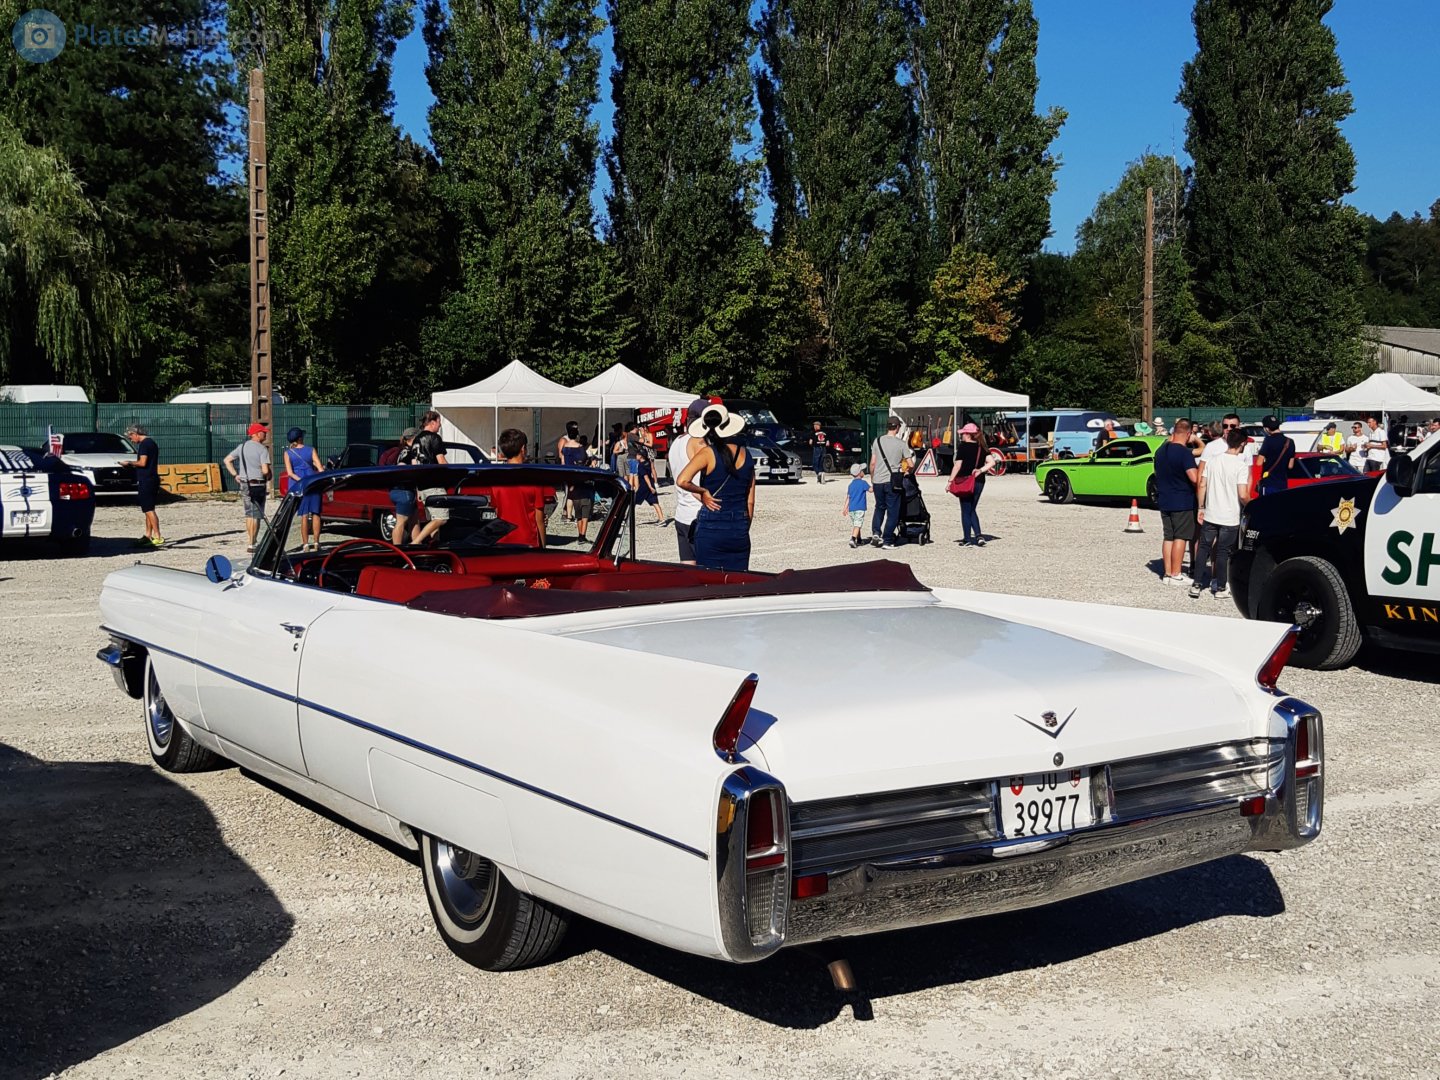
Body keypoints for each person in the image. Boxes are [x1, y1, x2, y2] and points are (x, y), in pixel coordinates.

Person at [676, 402, 755, 571]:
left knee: (709, 584)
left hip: (711, 527)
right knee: (739, 583)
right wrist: (743, 525)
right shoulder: (746, 454)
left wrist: (703, 491)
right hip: (738, 527)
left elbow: (682, 480)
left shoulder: (707, 453)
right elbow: (750, 499)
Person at [1191, 427, 1252, 600]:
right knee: (1223, 552)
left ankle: (1196, 584)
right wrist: (1251, 506)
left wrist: (1201, 507)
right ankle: (1220, 586)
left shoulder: (1213, 461)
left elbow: (1202, 484)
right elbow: (1242, 494)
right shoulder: (1240, 466)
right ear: (1241, 444)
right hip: (1230, 515)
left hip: (1211, 512)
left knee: (1203, 547)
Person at [1154, 419, 1199, 585]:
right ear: (1188, 434)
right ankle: (1176, 573)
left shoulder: (1160, 451)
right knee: (1181, 537)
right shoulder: (1184, 453)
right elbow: (1194, 478)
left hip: (1164, 498)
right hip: (1182, 499)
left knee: (1168, 537)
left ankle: (1167, 573)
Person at [668, 397, 710, 564]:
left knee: (689, 572)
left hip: (682, 513)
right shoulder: (698, 442)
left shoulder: (677, 442)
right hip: (698, 512)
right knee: (708, 573)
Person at [490, 428, 546, 548]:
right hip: (527, 541)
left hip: (502, 540)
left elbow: (497, 511)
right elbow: (539, 519)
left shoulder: (496, 478)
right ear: (523, 449)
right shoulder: (534, 478)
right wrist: (543, 548)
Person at [224, 422, 272, 553]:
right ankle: (253, 542)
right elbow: (265, 470)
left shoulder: (242, 446)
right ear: (257, 434)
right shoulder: (262, 449)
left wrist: (235, 475)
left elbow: (227, 460)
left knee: (248, 513)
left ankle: (250, 541)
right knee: (256, 514)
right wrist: (267, 473)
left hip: (245, 483)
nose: (265, 433)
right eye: (263, 432)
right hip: (258, 484)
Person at [948, 422, 996, 547]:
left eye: (963, 433)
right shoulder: (982, 447)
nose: (962, 436)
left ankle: (967, 539)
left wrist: (950, 481)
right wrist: (980, 470)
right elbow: (992, 462)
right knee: (972, 508)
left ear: (968, 435)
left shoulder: (963, 447)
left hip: (965, 480)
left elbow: (957, 465)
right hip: (979, 480)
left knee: (965, 510)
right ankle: (979, 536)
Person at [868, 417, 910, 549]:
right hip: (893, 481)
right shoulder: (901, 444)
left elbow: (873, 463)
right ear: (897, 428)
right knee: (893, 511)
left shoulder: (877, 441)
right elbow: (910, 464)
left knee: (879, 507)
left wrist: (873, 478)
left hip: (878, 480)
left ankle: (876, 532)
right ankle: (887, 540)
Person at [409, 411, 449, 546]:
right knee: (441, 518)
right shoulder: (434, 438)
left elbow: (414, 464)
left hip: (421, 484)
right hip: (434, 482)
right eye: (439, 422)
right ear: (432, 422)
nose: (440, 425)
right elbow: (441, 461)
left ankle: (434, 544)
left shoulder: (416, 440)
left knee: (433, 519)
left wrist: (417, 486)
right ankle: (416, 542)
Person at [283, 427, 325, 552]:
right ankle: (317, 542)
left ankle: (305, 544)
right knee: (316, 513)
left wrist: (301, 480)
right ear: (300, 438)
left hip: (299, 485)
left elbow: (290, 473)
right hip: (313, 482)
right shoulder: (311, 450)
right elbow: (319, 467)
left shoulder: (288, 453)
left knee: (304, 514)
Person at [121, 423, 163, 547]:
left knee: (149, 509)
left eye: (130, 437)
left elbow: (142, 462)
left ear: (136, 433)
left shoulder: (145, 445)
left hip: (147, 479)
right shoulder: (151, 443)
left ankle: (157, 536)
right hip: (151, 479)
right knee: (147, 508)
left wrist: (129, 463)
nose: (131, 439)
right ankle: (148, 535)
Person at [558, 421, 596, 542]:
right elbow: (584, 462)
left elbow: (563, 462)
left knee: (575, 505)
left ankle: (572, 521)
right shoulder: (580, 448)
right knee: (585, 508)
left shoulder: (565, 448)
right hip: (580, 479)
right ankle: (582, 535)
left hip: (570, 477)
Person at [385, 428, 419, 546]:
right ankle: (397, 548)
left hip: (398, 490)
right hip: (404, 490)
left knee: (414, 520)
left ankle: (417, 546)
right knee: (401, 521)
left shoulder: (399, 451)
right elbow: (402, 467)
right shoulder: (408, 452)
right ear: (413, 439)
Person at [1255, 415, 1295, 495]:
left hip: (1268, 483)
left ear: (1266, 428)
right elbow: (1290, 466)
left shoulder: (1268, 441)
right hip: (1283, 483)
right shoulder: (1290, 442)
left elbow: (1259, 462)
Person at [634, 427, 666, 525]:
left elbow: (645, 477)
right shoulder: (647, 463)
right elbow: (650, 473)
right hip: (650, 485)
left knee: (633, 503)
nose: (636, 456)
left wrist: (650, 486)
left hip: (645, 486)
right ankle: (661, 519)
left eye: (637, 455)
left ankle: (627, 519)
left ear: (640, 456)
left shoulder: (640, 466)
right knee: (655, 502)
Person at [843, 463, 870, 548]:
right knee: (858, 524)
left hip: (852, 508)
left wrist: (845, 508)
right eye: (862, 470)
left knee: (856, 524)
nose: (864, 472)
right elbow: (871, 490)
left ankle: (859, 539)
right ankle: (853, 539)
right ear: (859, 473)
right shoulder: (863, 483)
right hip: (860, 508)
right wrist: (876, 486)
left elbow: (848, 497)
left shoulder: (851, 485)